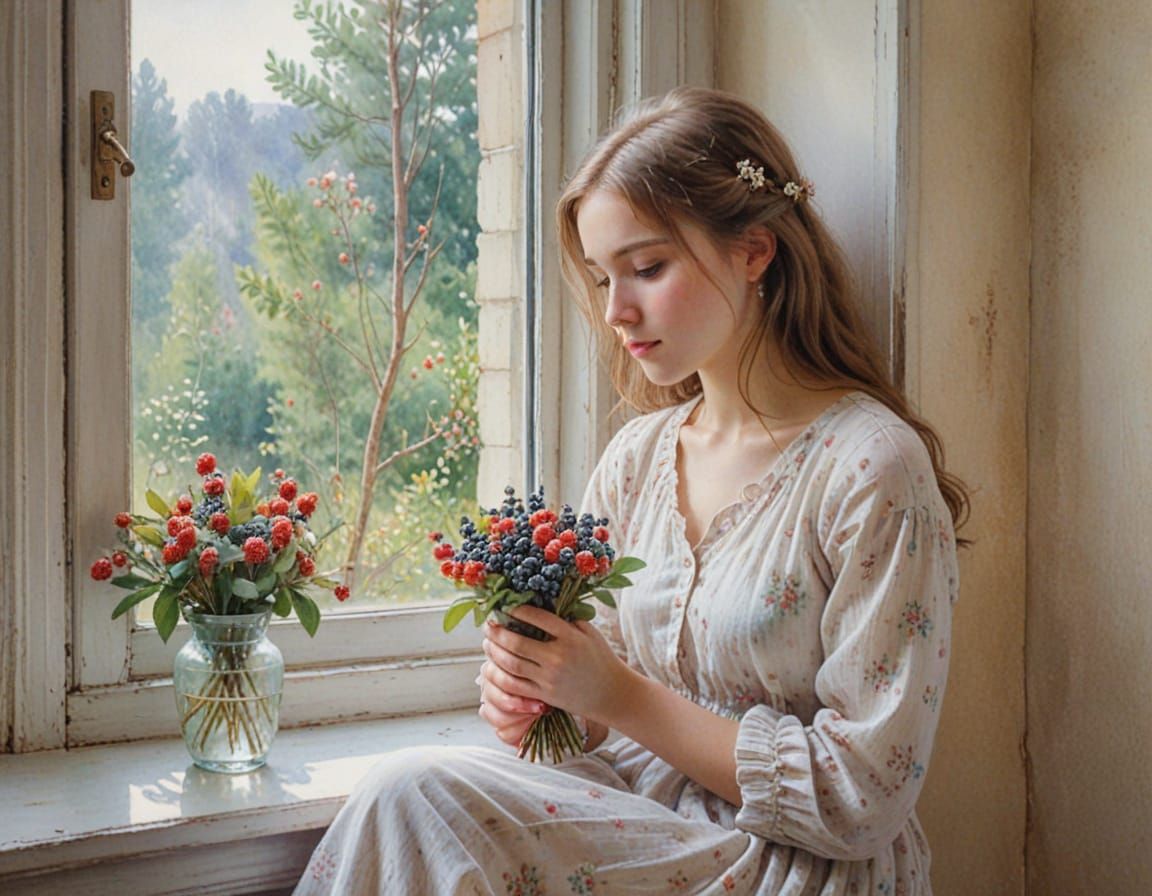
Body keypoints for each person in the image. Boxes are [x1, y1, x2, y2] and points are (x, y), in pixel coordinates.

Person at [294, 85, 966, 896]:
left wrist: (618, 693)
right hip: (638, 822)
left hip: (788, 866)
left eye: (646, 267)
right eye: (603, 277)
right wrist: (547, 703)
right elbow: (600, 716)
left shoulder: (870, 469)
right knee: (411, 797)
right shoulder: (638, 457)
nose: (617, 310)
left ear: (753, 251)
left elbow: (863, 795)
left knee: (417, 793)